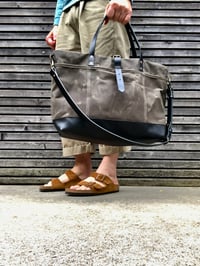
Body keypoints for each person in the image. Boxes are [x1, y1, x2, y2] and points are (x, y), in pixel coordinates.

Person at [39, 0, 133, 196]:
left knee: (108, 81)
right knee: (70, 89)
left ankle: (109, 171)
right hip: (69, 9)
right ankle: (81, 167)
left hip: (102, 4)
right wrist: (58, 20)